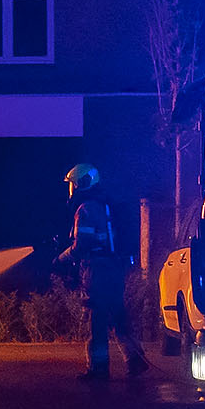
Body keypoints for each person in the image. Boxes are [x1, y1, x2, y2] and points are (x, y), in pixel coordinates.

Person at [58, 162, 149, 381]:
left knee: (96, 321)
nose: (72, 190)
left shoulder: (86, 209)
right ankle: (135, 361)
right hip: (115, 267)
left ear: (83, 183)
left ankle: (98, 370)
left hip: (97, 270)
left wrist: (61, 258)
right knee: (118, 315)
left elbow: (82, 245)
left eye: (73, 184)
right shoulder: (105, 205)